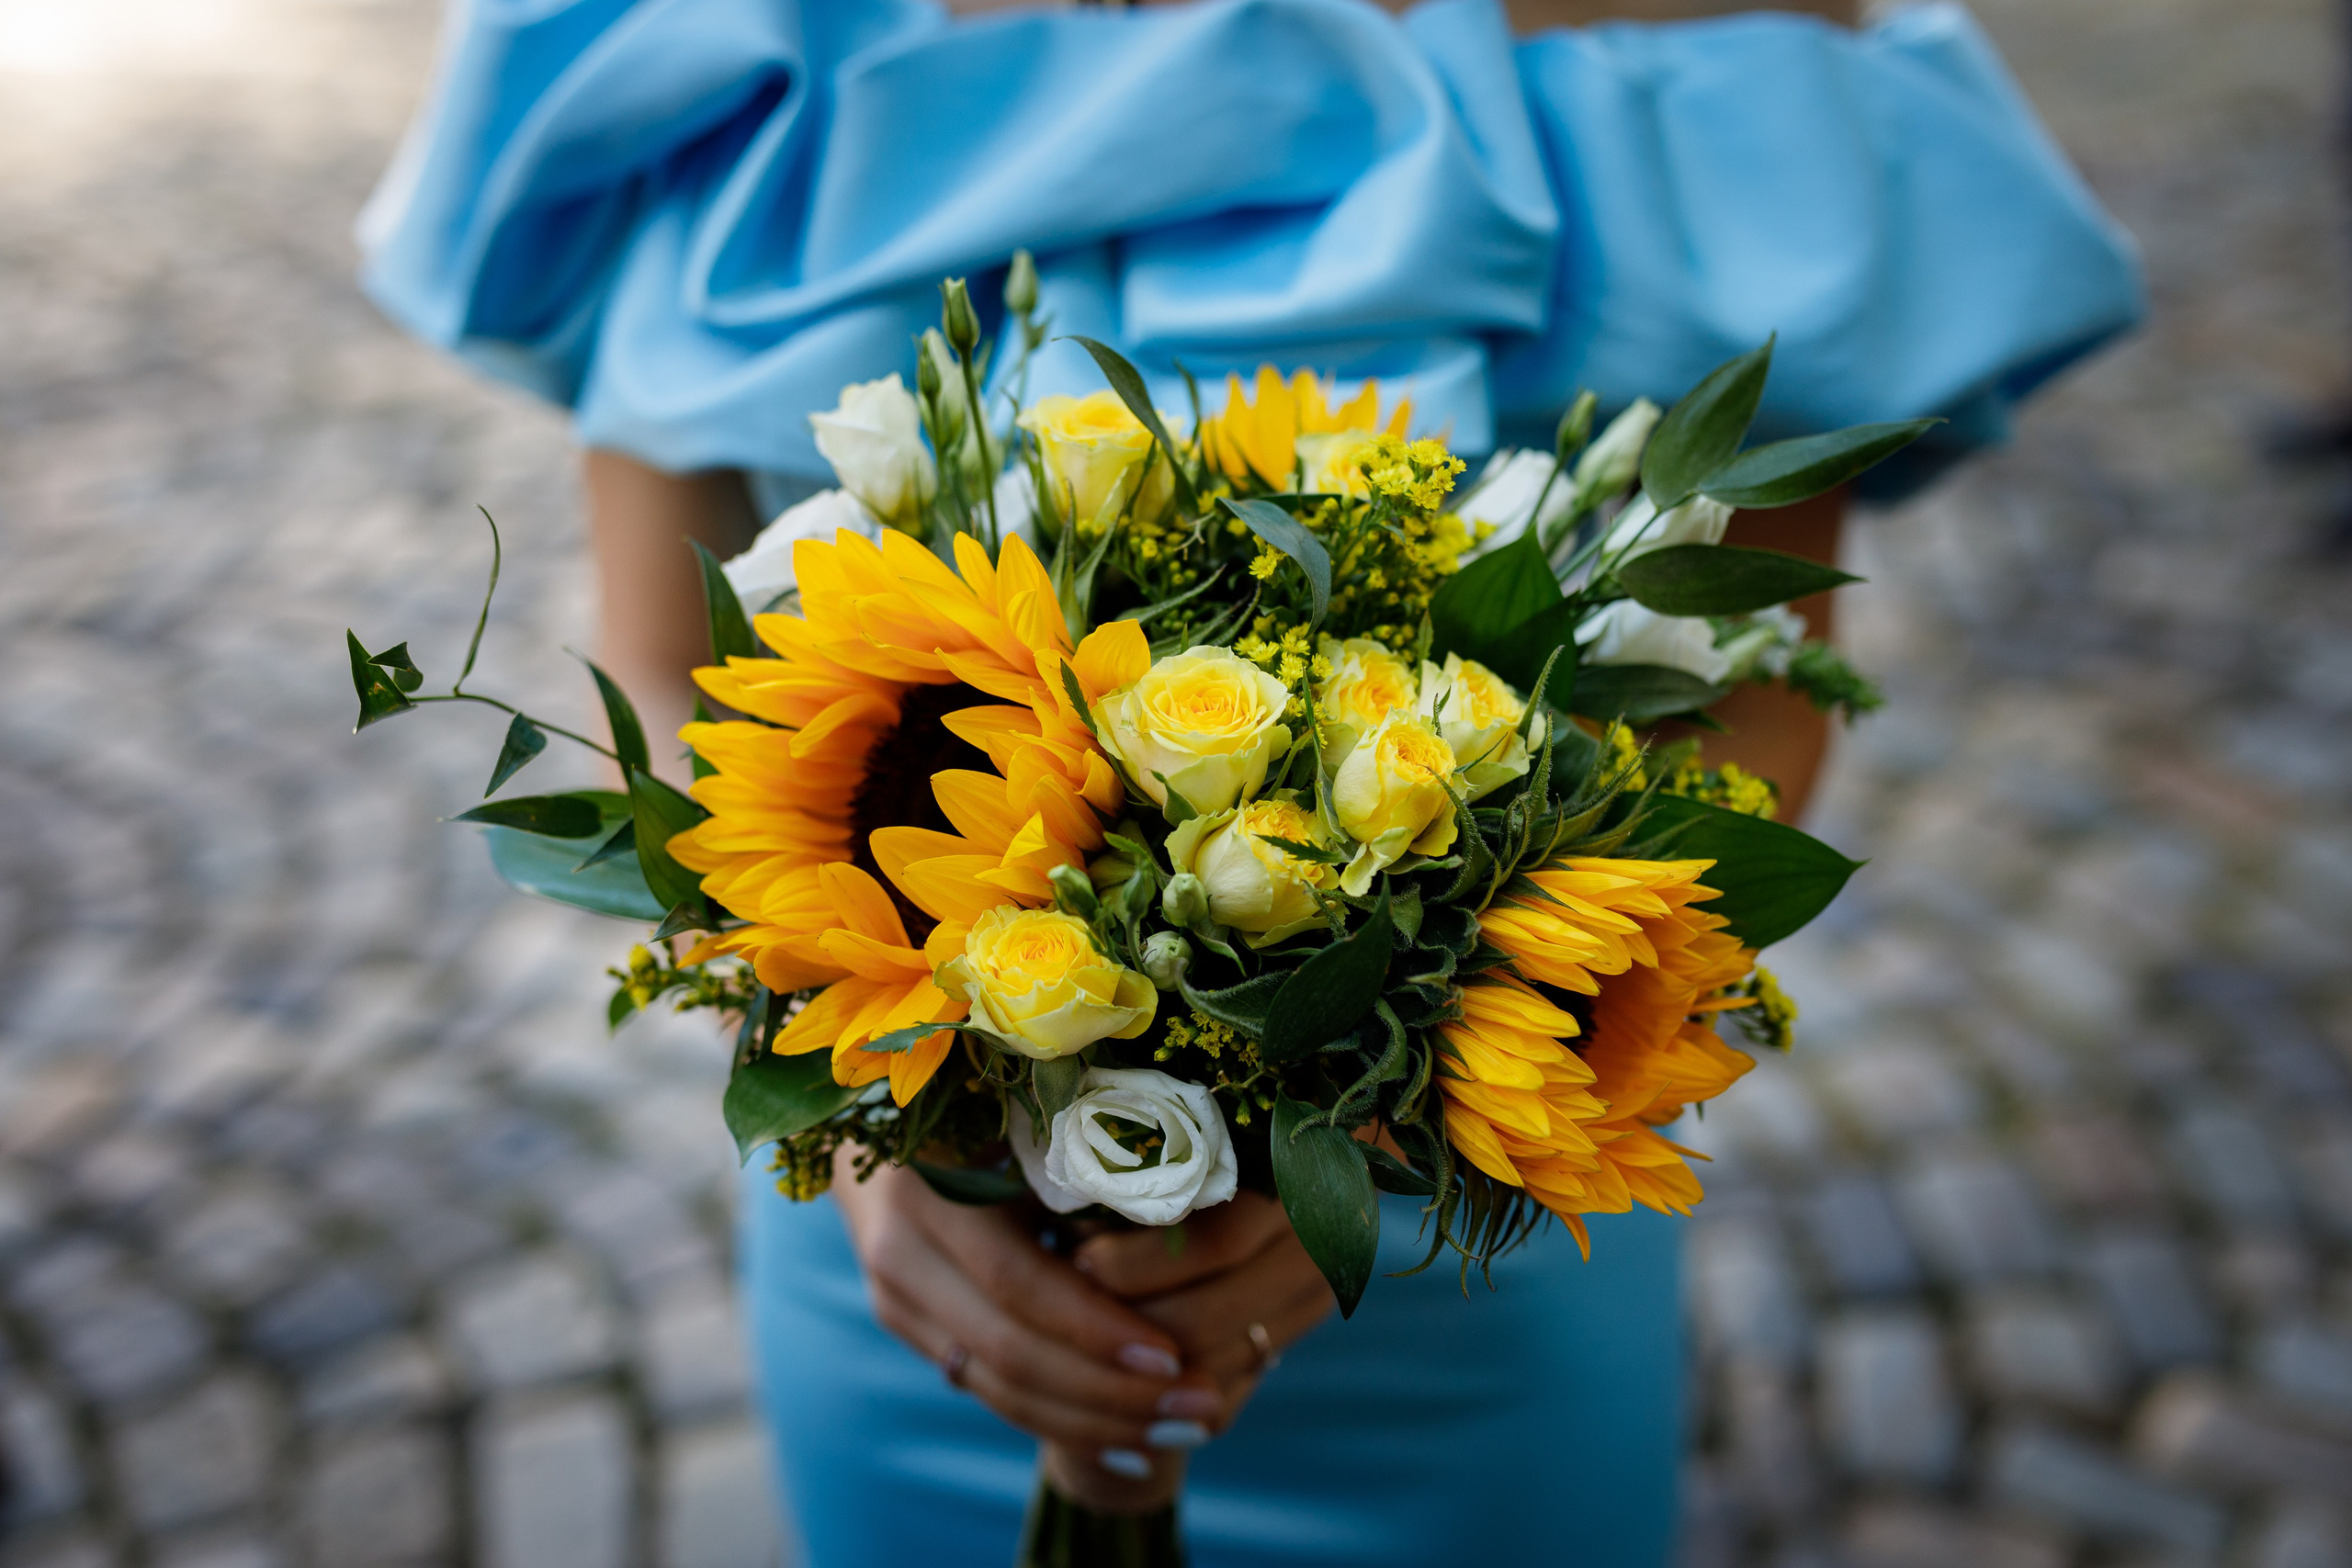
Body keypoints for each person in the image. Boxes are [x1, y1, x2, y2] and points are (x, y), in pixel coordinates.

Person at [359, 0, 2142, 1560]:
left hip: (1454, 1268)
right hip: (922, 1270)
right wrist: (890, 1121)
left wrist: (1386, 1144)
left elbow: (1738, 712)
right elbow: (685, 678)